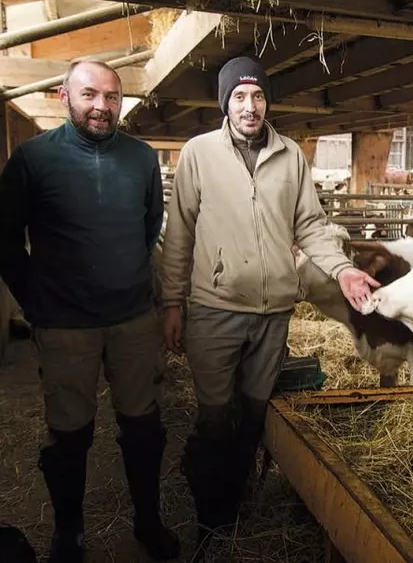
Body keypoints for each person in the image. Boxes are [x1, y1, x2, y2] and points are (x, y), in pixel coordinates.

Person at [159, 56, 379, 549]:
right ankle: (210, 517)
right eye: (239, 96)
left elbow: (311, 227)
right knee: (215, 417)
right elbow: (180, 234)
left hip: (274, 313)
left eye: (257, 96)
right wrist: (172, 301)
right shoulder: (198, 153)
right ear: (225, 102)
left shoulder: (291, 155)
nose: (250, 106)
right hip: (215, 308)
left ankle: (235, 504)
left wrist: (342, 269)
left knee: (254, 416)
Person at [0, 60, 179, 563]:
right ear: (64, 96)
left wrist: (129, 279)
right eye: (89, 94)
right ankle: (68, 532)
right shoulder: (33, 159)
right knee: (69, 432)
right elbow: (7, 237)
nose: (101, 105)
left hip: (132, 319)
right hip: (64, 324)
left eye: (111, 97)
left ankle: (148, 520)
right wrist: (34, 300)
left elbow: (150, 226)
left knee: (143, 424)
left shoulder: (141, 158)